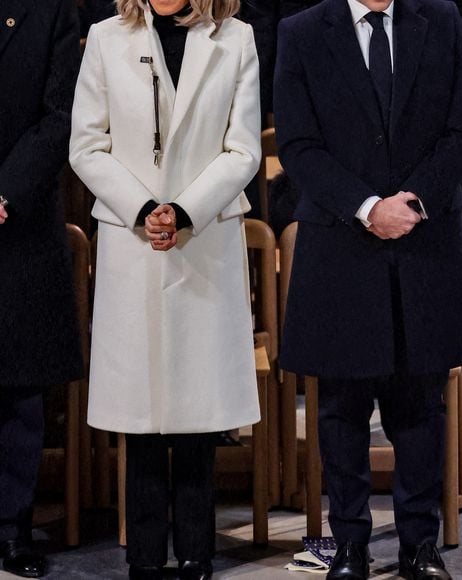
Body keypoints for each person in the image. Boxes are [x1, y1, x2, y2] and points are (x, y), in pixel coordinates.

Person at [274, 0, 462, 578]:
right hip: (341, 242)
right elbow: (298, 145)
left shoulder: (439, 20)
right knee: (341, 406)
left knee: (420, 402)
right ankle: (350, 545)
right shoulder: (301, 32)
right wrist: (367, 208)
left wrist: (411, 203)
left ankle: (420, 544)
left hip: (425, 238)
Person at [69, 0, 261, 578]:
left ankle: (199, 554)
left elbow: (244, 147)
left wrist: (183, 210)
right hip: (134, 241)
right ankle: (146, 560)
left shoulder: (236, 37)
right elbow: (87, 145)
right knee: (142, 417)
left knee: (200, 416)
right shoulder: (107, 37)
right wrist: (146, 208)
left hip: (203, 238)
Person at [0, 1, 83, 578]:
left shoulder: (52, 9)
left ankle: (12, 529)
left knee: (20, 393)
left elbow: (61, 114)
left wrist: (7, 192)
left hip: (19, 220)